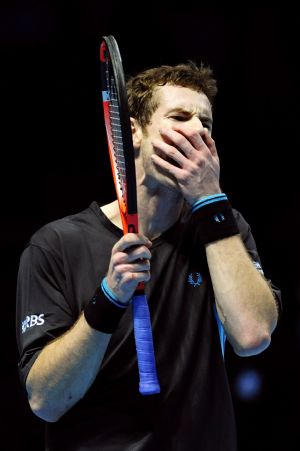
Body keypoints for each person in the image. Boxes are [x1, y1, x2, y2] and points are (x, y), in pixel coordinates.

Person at [16, 61, 281, 451]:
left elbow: (252, 335)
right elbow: (46, 401)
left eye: (206, 124)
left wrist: (210, 200)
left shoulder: (223, 227)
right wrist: (108, 298)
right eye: (179, 117)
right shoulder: (56, 244)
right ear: (134, 132)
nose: (196, 132)